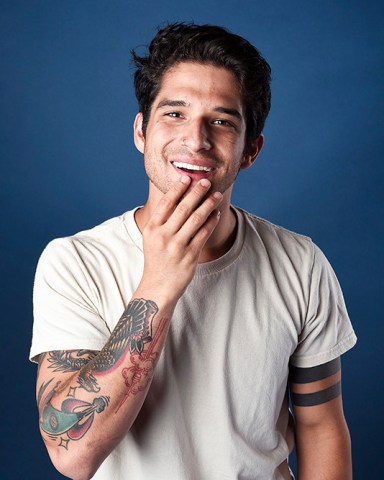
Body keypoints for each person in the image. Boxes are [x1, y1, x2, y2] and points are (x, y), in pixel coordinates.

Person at [30, 23, 357, 480]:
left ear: (250, 151)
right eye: (175, 114)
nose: (197, 140)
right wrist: (161, 281)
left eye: (222, 122)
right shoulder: (75, 263)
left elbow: (320, 424)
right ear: (141, 131)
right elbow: (73, 454)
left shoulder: (300, 263)